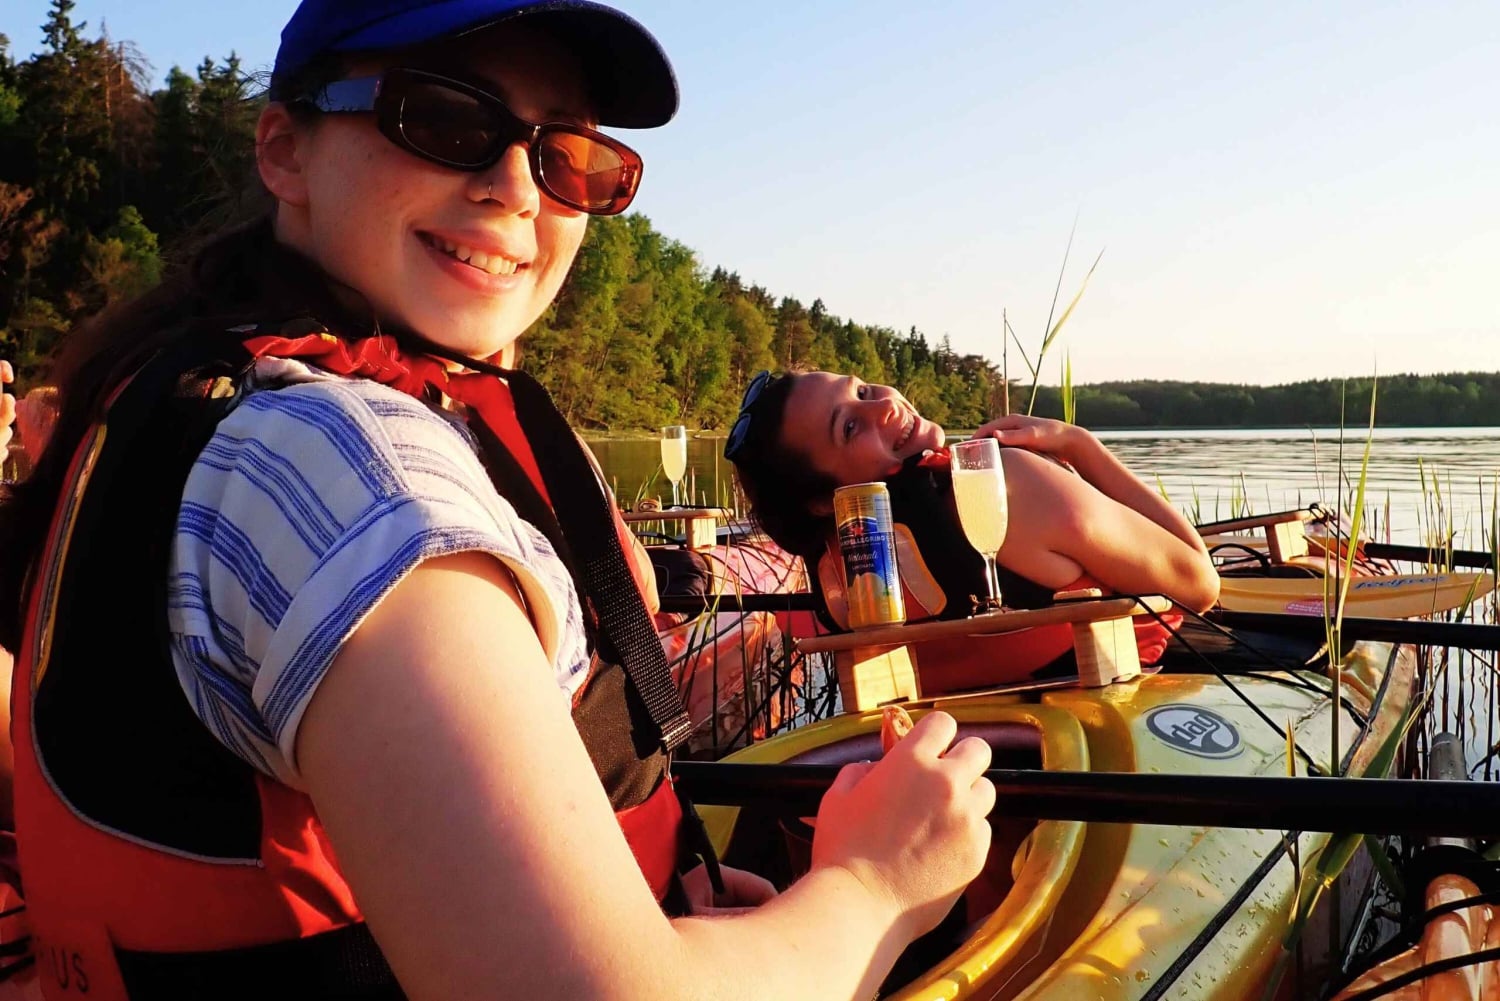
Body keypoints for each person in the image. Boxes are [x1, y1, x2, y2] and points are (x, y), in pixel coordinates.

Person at [0, 4, 996, 999]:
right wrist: (876, 882)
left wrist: (672, 890)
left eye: (568, 156)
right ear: (284, 151)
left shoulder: (197, 395)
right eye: (440, 117)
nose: (516, 188)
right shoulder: (348, 468)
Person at [725, 370, 1221, 690]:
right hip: (1105, 719)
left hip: (971, 753)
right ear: (818, 500)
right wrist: (1078, 444)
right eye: (850, 428)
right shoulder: (1008, 485)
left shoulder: (839, 574)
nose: (885, 408)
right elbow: (1200, 584)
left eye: (864, 391)